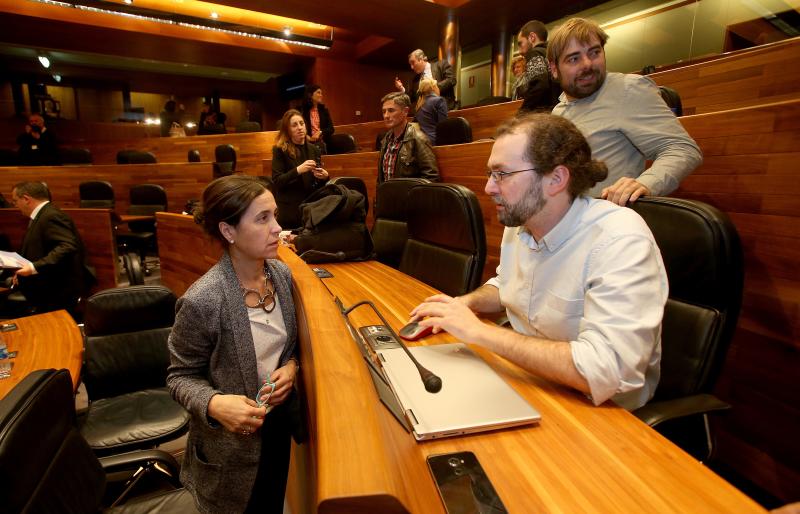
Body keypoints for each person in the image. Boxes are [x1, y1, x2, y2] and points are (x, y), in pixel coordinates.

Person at [410, 114, 667, 411]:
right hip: (533, 381)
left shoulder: (619, 239)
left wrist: (480, 332)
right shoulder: (520, 223)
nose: (489, 188)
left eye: (502, 174)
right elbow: (507, 285)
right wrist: (464, 305)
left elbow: (607, 370)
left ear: (556, 179)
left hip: (600, 411)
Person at [167, 175, 301, 513]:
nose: (277, 228)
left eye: (275, 215)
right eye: (262, 218)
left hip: (276, 427)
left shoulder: (282, 276)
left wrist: (291, 367)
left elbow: (288, 347)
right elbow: (179, 377)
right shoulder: (203, 300)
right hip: (229, 450)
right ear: (228, 232)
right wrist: (214, 404)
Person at [548, 17, 702, 206]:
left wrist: (645, 183)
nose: (587, 64)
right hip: (567, 222)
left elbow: (682, 149)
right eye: (574, 58)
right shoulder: (558, 110)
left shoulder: (628, 90)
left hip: (610, 222)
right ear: (554, 69)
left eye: (594, 52)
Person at [9, 181, 95, 318]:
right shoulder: (41, 215)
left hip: (58, 289)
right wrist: (22, 270)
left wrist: (32, 267)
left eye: (15, 201)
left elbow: (67, 247)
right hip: (48, 287)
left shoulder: (51, 216)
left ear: (26, 199)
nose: (15, 206)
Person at [271, 109, 329, 228]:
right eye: (294, 125)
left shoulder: (315, 149)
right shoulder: (280, 150)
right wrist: (298, 170)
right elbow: (277, 181)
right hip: (290, 211)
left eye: (301, 123)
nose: (299, 127)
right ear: (288, 130)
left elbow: (317, 185)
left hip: (311, 209)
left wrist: (324, 177)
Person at [377, 92, 439, 184]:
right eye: (384, 111)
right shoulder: (385, 140)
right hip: (387, 196)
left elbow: (431, 177)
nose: (386, 116)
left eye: (391, 110)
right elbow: (381, 179)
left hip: (409, 197)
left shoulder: (418, 139)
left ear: (405, 111)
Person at [516, 20, 561, 113]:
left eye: (520, 43)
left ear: (532, 37)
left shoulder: (534, 52)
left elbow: (540, 84)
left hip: (543, 114)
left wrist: (522, 112)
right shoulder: (551, 53)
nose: (519, 51)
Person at [301, 84, 335, 154]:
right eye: (318, 92)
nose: (321, 95)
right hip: (308, 142)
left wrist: (319, 132)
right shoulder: (303, 111)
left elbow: (331, 129)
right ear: (310, 95)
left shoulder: (324, 110)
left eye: (321, 93)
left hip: (323, 140)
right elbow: (300, 128)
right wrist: (307, 136)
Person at [414, 78, 448, 145]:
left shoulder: (419, 104)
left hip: (421, 141)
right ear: (434, 88)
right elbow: (443, 126)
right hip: (435, 141)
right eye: (437, 86)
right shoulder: (439, 100)